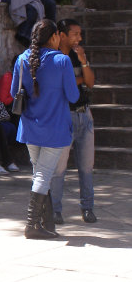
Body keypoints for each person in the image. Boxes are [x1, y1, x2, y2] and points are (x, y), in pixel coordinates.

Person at [11, 19, 79, 239]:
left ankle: (46, 223)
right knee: (42, 174)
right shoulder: (62, 60)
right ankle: (32, 224)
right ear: (53, 37)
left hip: (30, 126)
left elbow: (14, 92)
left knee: (40, 173)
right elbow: (73, 96)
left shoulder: (22, 59)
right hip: (55, 128)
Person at [51, 19, 97, 224]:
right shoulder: (55, 57)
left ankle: (87, 208)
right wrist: (77, 79)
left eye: (80, 34)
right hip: (64, 116)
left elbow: (90, 82)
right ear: (62, 35)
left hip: (84, 114)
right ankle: (55, 210)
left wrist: (83, 60)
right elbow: (61, 85)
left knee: (87, 166)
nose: (79, 38)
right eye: (75, 34)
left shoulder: (78, 55)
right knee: (59, 168)